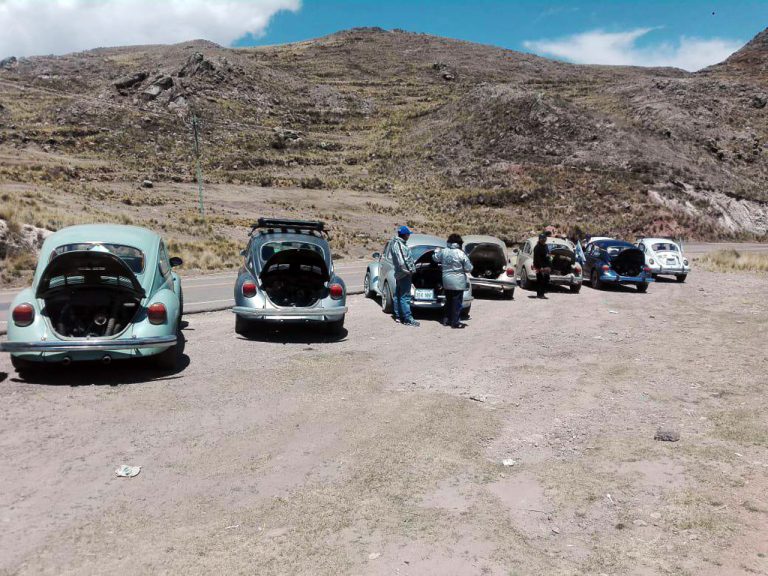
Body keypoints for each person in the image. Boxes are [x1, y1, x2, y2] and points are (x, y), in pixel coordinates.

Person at [433, 233, 473, 328]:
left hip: (446, 280)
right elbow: (469, 268)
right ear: (459, 243)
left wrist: (436, 251)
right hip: (458, 282)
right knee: (457, 303)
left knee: (448, 301)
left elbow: (435, 258)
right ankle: (455, 322)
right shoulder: (461, 253)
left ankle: (446, 320)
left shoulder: (443, 251)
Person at [391, 225, 419, 327]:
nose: (409, 236)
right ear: (405, 235)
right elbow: (402, 261)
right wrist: (410, 271)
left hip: (399, 274)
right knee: (405, 297)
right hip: (404, 274)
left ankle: (398, 316)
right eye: (408, 234)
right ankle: (407, 318)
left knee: (398, 295)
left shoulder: (396, 243)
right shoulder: (400, 245)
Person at [532, 233, 551, 299]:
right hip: (539, 267)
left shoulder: (546, 246)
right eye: (542, 239)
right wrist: (540, 267)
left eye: (544, 238)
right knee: (540, 280)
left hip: (546, 266)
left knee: (546, 280)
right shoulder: (537, 247)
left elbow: (548, 255)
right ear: (539, 239)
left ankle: (542, 293)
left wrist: (549, 265)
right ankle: (539, 294)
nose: (543, 240)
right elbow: (537, 258)